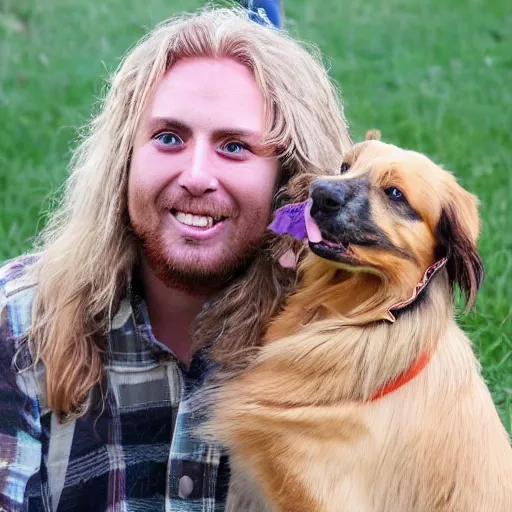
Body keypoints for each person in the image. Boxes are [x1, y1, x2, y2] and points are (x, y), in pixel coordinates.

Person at [0, 6, 351, 511]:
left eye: (234, 146)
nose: (196, 175)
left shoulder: (342, 349)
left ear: (291, 182)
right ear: (125, 158)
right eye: (169, 137)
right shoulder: (19, 322)